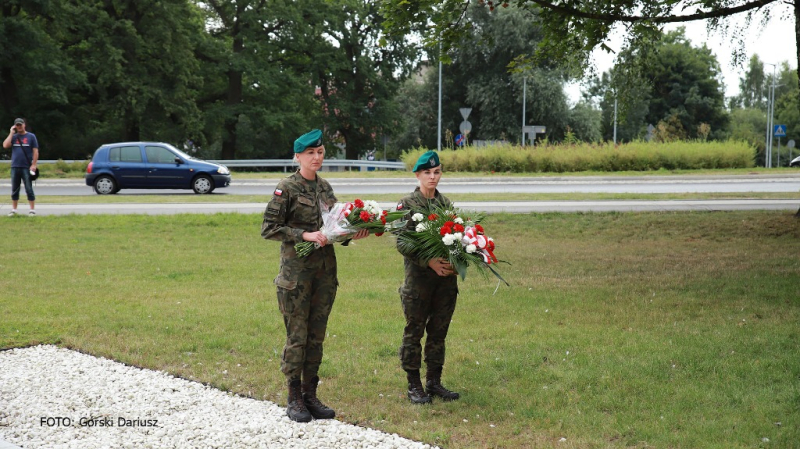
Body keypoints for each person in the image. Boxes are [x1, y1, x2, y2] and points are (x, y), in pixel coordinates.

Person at [261, 129, 368, 422]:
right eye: (311, 153)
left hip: (324, 274)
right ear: (298, 156)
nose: (317, 158)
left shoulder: (325, 187)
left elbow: (334, 226)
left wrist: (351, 232)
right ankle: (294, 397)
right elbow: (269, 228)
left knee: (316, 336)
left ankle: (311, 394)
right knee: (298, 336)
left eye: (320, 153)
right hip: (296, 276)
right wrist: (304, 234)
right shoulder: (287, 188)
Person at [395, 150, 461, 404]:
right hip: (419, 282)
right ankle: (414, 384)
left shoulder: (446, 205)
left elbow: (457, 239)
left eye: (437, 172)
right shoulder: (407, 204)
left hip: (445, 282)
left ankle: (434, 382)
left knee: (439, 332)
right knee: (415, 330)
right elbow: (402, 242)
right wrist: (429, 261)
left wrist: (457, 263)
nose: (433, 177)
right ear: (417, 174)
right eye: (427, 173)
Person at [3, 118, 38, 216]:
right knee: (15, 188)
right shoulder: (14, 137)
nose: (19, 127)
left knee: (28, 188)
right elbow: (5, 145)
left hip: (26, 166)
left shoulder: (31, 136)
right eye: (17, 125)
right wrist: (11, 132)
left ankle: (32, 210)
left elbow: (35, 151)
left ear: (24, 125)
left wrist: (34, 164)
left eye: (20, 125)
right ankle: (14, 209)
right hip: (15, 166)